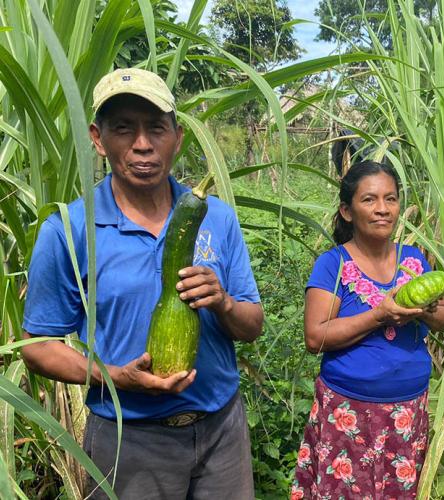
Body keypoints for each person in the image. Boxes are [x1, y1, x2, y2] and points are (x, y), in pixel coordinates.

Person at [20, 68, 264, 499]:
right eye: (123, 128)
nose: (142, 143)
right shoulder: (69, 231)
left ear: (177, 136)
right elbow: (37, 345)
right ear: (98, 138)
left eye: (155, 127)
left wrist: (223, 303)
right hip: (127, 439)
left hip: (221, 430)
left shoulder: (215, 217)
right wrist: (115, 377)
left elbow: (252, 325)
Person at [292, 160, 444, 498]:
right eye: (369, 200)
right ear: (347, 211)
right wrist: (379, 315)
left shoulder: (414, 261)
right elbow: (314, 337)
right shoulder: (333, 264)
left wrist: (422, 311)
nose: (383, 209)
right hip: (349, 413)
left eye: (391, 199)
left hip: (408, 413)